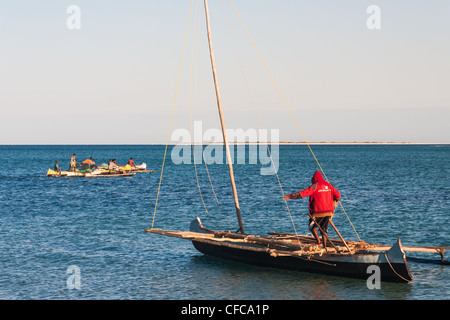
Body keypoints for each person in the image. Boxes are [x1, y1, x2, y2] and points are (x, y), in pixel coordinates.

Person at [283, 171, 340, 248]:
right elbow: (338, 195)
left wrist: (289, 196)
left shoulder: (314, 187)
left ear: (314, 179)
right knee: (324, 229)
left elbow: (301, 194)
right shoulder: (329, 185)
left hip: (318, 212)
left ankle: (319, 242)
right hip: (329, 212)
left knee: (311, 227)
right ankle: (325, 246)